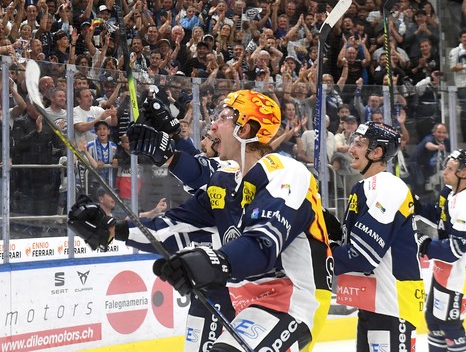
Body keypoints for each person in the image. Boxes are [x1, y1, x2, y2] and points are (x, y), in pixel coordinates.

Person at [132, 90, 332, 351]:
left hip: (292, 291)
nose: (211, 133)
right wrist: (171, 139)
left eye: (222, 122)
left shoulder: (276, 172)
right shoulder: (235, 172)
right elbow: (205, 172)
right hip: (249, 286)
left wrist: (172, 145)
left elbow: (199, 171)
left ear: (245, 130)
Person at [68, 100, 240, 351]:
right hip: (219, 293)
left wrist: (169, 150)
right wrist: (114, 229)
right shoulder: (211, 193)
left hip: (249, 294)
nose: (202, 145)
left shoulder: (238, 171)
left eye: (207, 140)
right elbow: (166, 229)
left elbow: (203, 171)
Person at [330, 121, 425, 352]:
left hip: (392, 305)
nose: (351, 149)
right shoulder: (365, 187)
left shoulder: (387, 186)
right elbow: (348, 241)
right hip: (375, 301)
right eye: (353, 142)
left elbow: (361, 255)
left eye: (359, 144)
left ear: (377, 152)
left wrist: (313, 256)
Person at [414, 149, 466, 352]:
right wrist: (415, 206)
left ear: (463, 173)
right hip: (446, 270)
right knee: (434, 321)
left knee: (450, 327)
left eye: (450, 168)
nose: (444, 171)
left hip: (461, 275)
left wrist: (423, 244)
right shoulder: (450, 191)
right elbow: (440, 216)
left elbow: (455, 249)